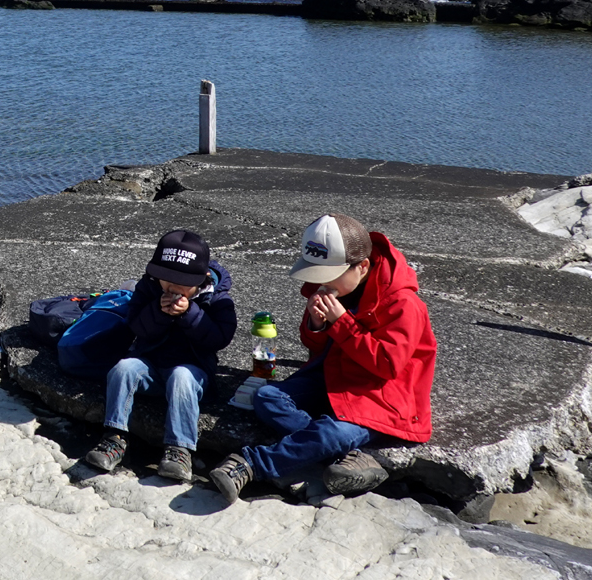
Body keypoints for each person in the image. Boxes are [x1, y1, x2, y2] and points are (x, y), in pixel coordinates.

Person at [209, 212, 437, 505]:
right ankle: (349, 459)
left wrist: (342, 322)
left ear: (362, 266)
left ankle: (251, 465)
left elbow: (387, 365)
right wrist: (317, 325)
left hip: (380, 395)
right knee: (267, 397)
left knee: (332, 432)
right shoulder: (336, 289)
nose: (322, 284)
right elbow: (315, 347)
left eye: (328, 276)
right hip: (335, 376)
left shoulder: (403, 304)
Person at [85, 229, 237, 482]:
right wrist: (159, 311)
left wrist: (190, 315)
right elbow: (137, 327)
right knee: (123, 369)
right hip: (151, 366)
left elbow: (220, 338)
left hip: (193, 369)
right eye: (168, 280)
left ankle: (179, 449)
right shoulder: (149, 288)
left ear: (201, 279)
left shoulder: (217, 298)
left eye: (183, 283)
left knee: (181, 376)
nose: (174, 288)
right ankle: (114, 437)